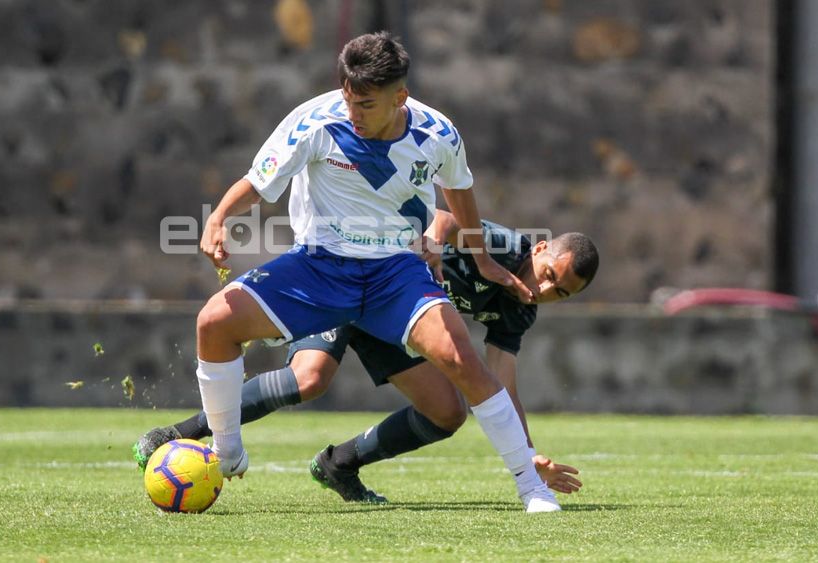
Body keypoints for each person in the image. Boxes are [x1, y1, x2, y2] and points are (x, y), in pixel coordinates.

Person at [184, 31, 561, 512]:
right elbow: (258, 183)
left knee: (461, 360)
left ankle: (531, 487)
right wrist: (218, 218)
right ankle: (226, 450)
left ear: (399, 97)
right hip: (321, 266)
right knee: (213, 323)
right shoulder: (316, 122)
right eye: (348, 98)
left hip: (395, 272)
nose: (352, 112)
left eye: (364, 103)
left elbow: (459, 191)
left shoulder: (438, 134)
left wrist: (481, 256)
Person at [136, 210, 599, 505]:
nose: (543, 291)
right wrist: (434, 247)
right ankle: (178, 434)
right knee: (310, 377)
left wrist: (528, 452)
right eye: (548, 274)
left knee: (448, 411)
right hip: (358, 281)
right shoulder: (502, 246)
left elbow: (502, 382)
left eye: (559, 293)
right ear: (540, 250)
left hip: (391, 319)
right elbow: (446, 218)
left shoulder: (520, 311)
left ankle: (339, 465)